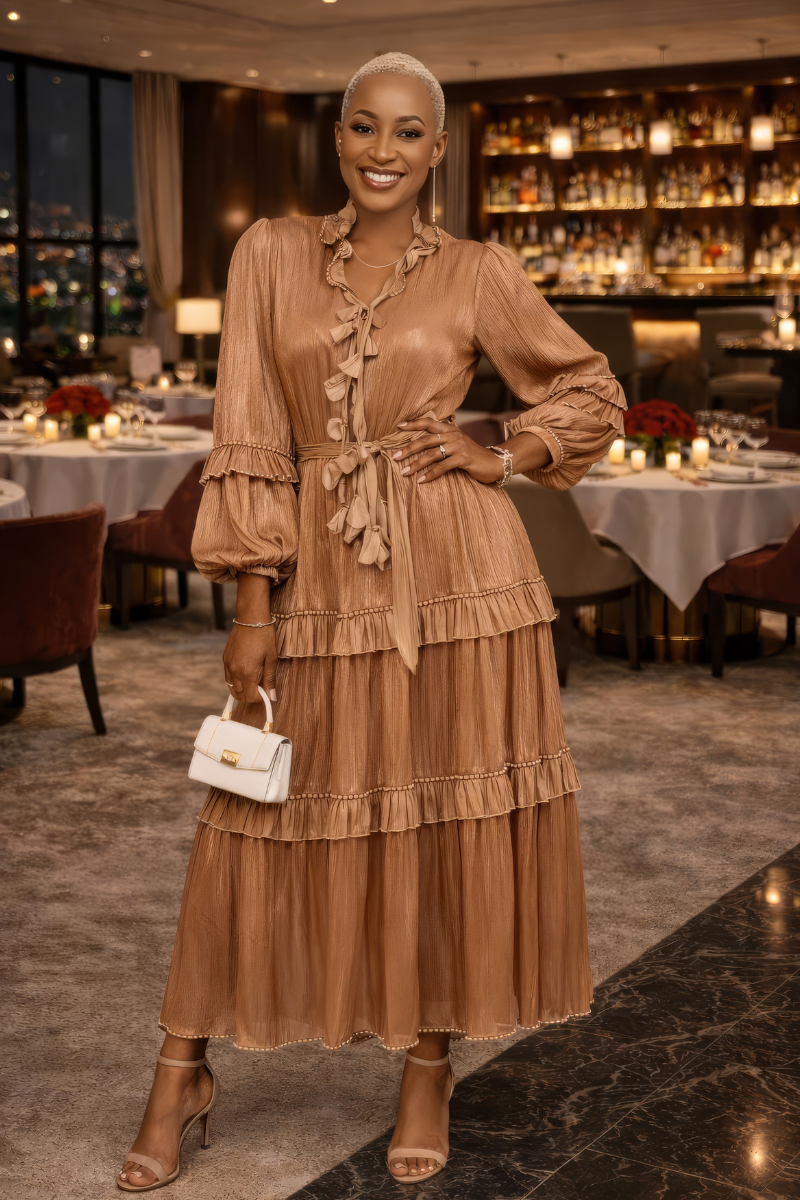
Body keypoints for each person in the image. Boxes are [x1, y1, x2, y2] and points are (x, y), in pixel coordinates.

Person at [118, 52, 625, 1192]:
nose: (383, 151)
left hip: (456, 580)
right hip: (316, 579)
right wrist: (251, 598)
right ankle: (181, 1065)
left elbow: (589, 388)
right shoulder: (272, 254)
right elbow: (247, 427)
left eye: (408, 133)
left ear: (437, 153)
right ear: (335, 139)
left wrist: (501, 451)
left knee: (439, 815)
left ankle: (426, 1060)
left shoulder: (481, 271)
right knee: (251, 810)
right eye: (362, 128)